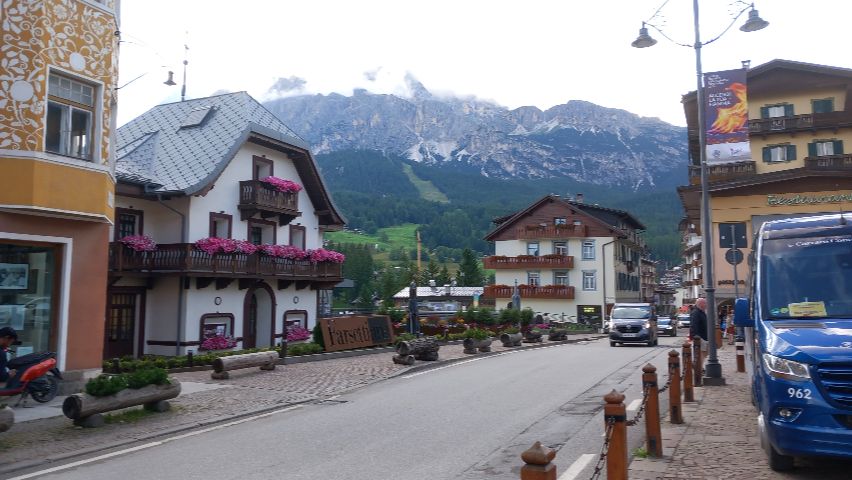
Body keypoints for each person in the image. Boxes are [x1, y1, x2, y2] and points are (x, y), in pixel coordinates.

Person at [689, 298, 709, 371]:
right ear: (701, 304)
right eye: (705, 303)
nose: (706, 305)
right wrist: (697, 336)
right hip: (700, 336)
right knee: (701, 352)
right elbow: (694, 325)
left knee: (704, 352)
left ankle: (697, 365)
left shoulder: (701, 312)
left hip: (704, 336)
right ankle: (698, 367)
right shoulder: (696, 312)